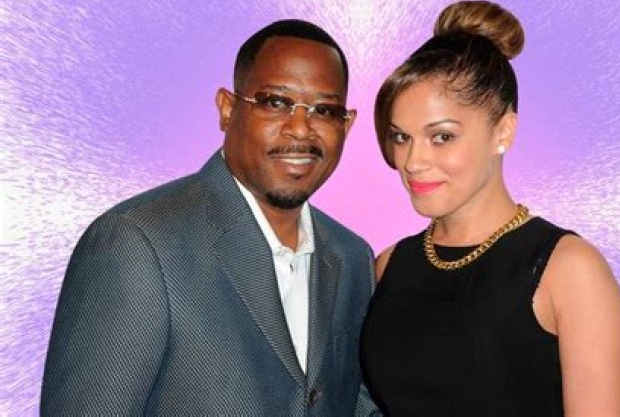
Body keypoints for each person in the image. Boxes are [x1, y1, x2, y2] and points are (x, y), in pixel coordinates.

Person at [41, 20, 378, 415]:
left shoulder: (353, 258)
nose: (301, 129)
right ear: (227, 109)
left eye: (325, 110)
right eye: (275, 102)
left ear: (346, 125)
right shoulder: (136, 243)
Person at [360, 1, 620, 416]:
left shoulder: (568, 271)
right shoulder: (389, 265)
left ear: (503, 131)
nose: (413, 161)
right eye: (401, 137)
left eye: (441, 137)